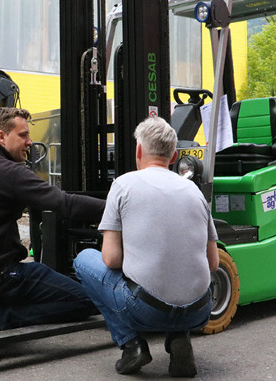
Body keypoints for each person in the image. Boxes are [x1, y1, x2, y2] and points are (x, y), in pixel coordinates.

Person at [0, 107, 105, 362]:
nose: (30, 142)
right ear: (1, 136)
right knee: (87, 301)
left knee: (44, 279)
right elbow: (65, 204)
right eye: (23, 135)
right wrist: (117, 209)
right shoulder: (9, 172)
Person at [73, 116, 219, 377]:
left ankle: (131, 344)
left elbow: (111, 259)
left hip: (146, 310)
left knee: (84, 259)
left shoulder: (123, 185)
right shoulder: (195, 192)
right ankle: (179, 338)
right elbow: (213, 263)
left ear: (139, 150)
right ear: (174, 156)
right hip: (199, 310)